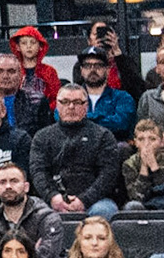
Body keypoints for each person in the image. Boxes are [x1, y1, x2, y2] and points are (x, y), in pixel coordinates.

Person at [31, 84, 122, 219]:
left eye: (77, 102)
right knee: (33, 213)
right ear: (57, 105)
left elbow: (108, 174)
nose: (71, 107)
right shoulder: (42, 137)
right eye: (65, 102)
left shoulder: (103, 136)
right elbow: (38, 172)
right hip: (52, 199)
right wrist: (53, 197)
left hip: (94, 202)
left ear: (86, 106)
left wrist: (84, 200)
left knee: (105, 211)